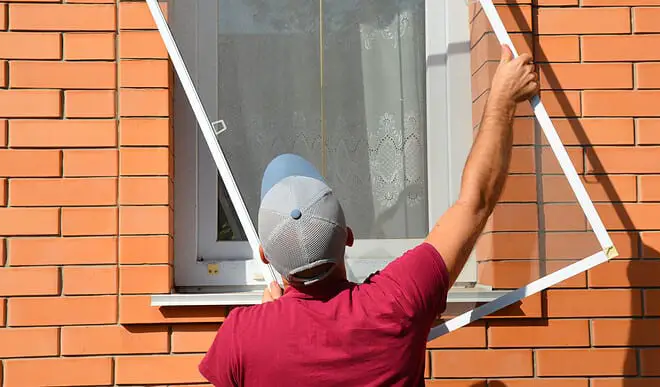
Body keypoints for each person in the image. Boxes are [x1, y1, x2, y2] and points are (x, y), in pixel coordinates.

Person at [198, 44, 539, 386]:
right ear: (348, 235)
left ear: (265, 255)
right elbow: (475, 202)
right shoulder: (397, 300)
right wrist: (502, 100)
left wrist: (268, 320)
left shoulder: (240, 336)